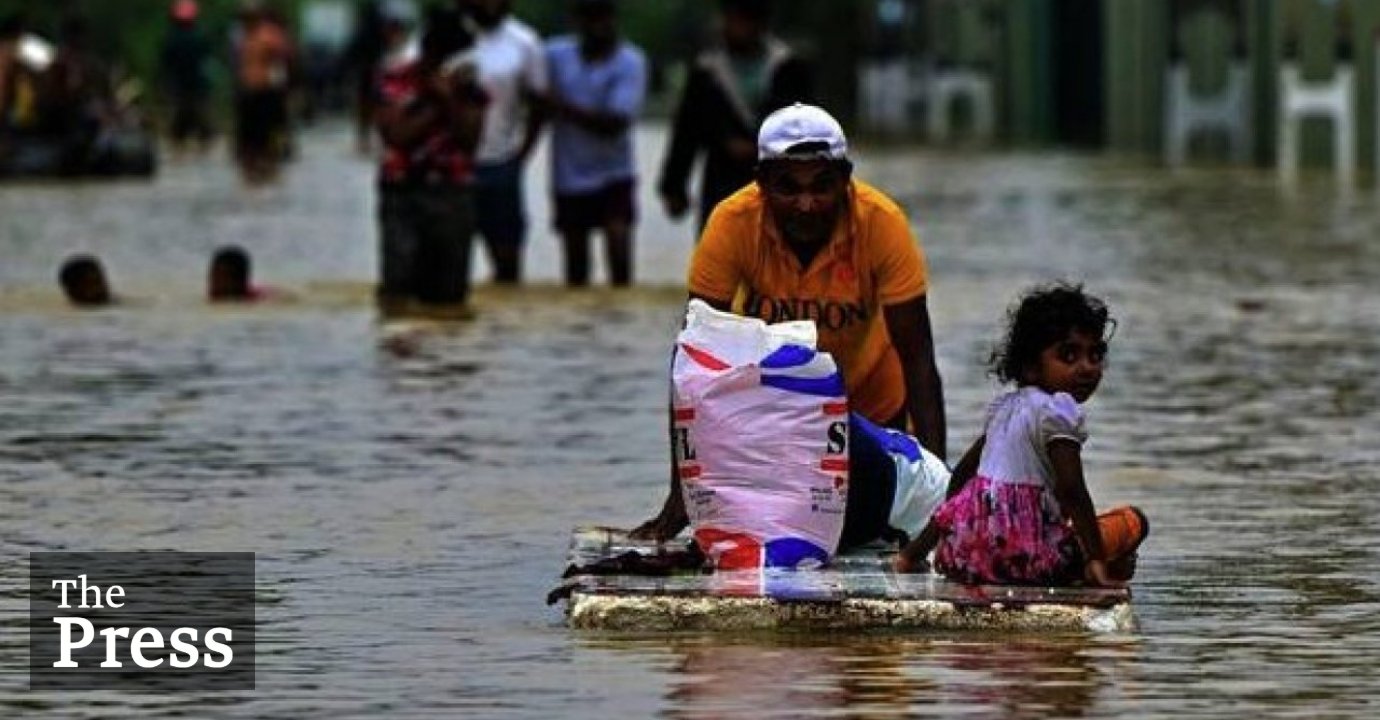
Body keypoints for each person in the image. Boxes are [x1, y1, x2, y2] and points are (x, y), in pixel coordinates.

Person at [632, 103, 945, 542]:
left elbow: (919, 360)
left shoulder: (882, 223)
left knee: (860, 520)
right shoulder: (731, 223)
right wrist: (683, 494)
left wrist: (942, 506)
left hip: (872, 413)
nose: (806, 205)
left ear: (845, 178)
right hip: (775, 416)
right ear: (761, 182)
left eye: (822, 186)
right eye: (788, 188)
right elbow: (693, 362)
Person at [893, 283, 1149, 587]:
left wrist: (912, 554)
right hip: (1028, 559)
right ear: (1030, 367)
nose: (1086, 368)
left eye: (1094, 356)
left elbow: (960, 481)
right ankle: (1095, 568)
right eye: (1069, 356)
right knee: (1133, 522)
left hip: (966, 556)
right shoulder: (1057, 412)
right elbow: (1072, 489)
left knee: (1077, 531)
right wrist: (1095, 559)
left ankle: (1097, 563)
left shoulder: (1004, 408)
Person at [657, 0, 813, 230]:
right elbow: (687, 132)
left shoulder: (788, 69)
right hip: (722, 180)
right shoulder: (707, 71)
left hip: (777, 182)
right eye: (735, 19)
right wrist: (674, 186)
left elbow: (808, 129)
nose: (740, 27)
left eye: (747, 20)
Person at [373, 8, 486, 314]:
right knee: (398, 288)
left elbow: (470, 141)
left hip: (452, 191)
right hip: (402, 191)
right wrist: (436, 100)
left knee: (449, 296)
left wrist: (451, 99)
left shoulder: (470, 88)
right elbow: (397, 136)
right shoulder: (395, 80)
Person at [544, 0, 647, 287]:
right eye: (590, 17)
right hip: (569, 175)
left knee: (619, 257)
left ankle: (620, 310)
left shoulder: (630, 61)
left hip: (615, 173)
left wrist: (559, 106)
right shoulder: (555, 55)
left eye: (603, 17)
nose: (597, 26)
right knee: (576, 270)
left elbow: (615, 123)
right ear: (577, 21)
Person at [458, 0, 548, 284]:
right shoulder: (446, 36)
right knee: (447, 266)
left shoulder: (525, 42)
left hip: (501, 163)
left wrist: (522, 155)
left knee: (508, 265)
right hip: (452, 166)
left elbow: (540, 103)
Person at [234, 6, 295, 182]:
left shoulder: (267, 35)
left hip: (266, 89)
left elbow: (285, 56)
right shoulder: (243, 38)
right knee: (251, 131)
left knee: (266, 129)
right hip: (250, 88)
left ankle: (266, 164)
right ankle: (254, 166)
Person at [160, 0, 215, 153]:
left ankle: (180, 144)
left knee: (180, 117)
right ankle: (201, 142)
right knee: (200, 117)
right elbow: (207, 58)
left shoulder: (171, 38)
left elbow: (166, 63)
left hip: (181, 85)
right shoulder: (199, 35)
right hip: (196, 85)